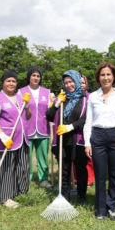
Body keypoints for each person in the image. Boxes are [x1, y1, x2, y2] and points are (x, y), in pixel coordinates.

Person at [83, 62, 115, 221]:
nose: (105, 78)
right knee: (100, 174)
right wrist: (87, 143)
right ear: (98, 78)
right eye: (102, 75)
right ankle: (101, 209)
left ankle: (113, 207)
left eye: (108, 74)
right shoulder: (93, 97)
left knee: (113, 174)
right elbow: (88, 121)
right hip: (97, 137)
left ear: (114, 77)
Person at [0, 70, 31, 208]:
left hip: (22, 138)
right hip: (6, 140)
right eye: (8, 81)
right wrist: (2, 136)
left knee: (22, 166)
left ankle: (21, 191)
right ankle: (6, 197)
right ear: (3, 82)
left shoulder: (20, 97)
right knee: (6, 168)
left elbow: (28, 116)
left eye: (14, 81)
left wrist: (27, 105)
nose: (11, 83)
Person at [47, 70, 88, 204]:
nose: (69, 85)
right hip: (63, 141)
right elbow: (50, 116)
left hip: (79, 139)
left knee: (81, 170)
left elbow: (87, 118)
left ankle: (82, 196)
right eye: (66, 83)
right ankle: (65, 197)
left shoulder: (86, 98)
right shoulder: (63, 98)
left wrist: (71, 126)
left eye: (71, 81)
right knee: (63, 171)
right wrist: (57, 103)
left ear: (76, 81)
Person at [18, 67, 52, 188]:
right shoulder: (21, 92)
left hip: (43, 129)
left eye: (38, 76)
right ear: (29, 77)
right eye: (33, 75)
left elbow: (50, 111)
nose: (36, 78)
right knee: (26, 157)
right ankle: (27, 178)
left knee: (43, 156)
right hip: (27, 129)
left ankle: (43, 179)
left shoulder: (47, 92)